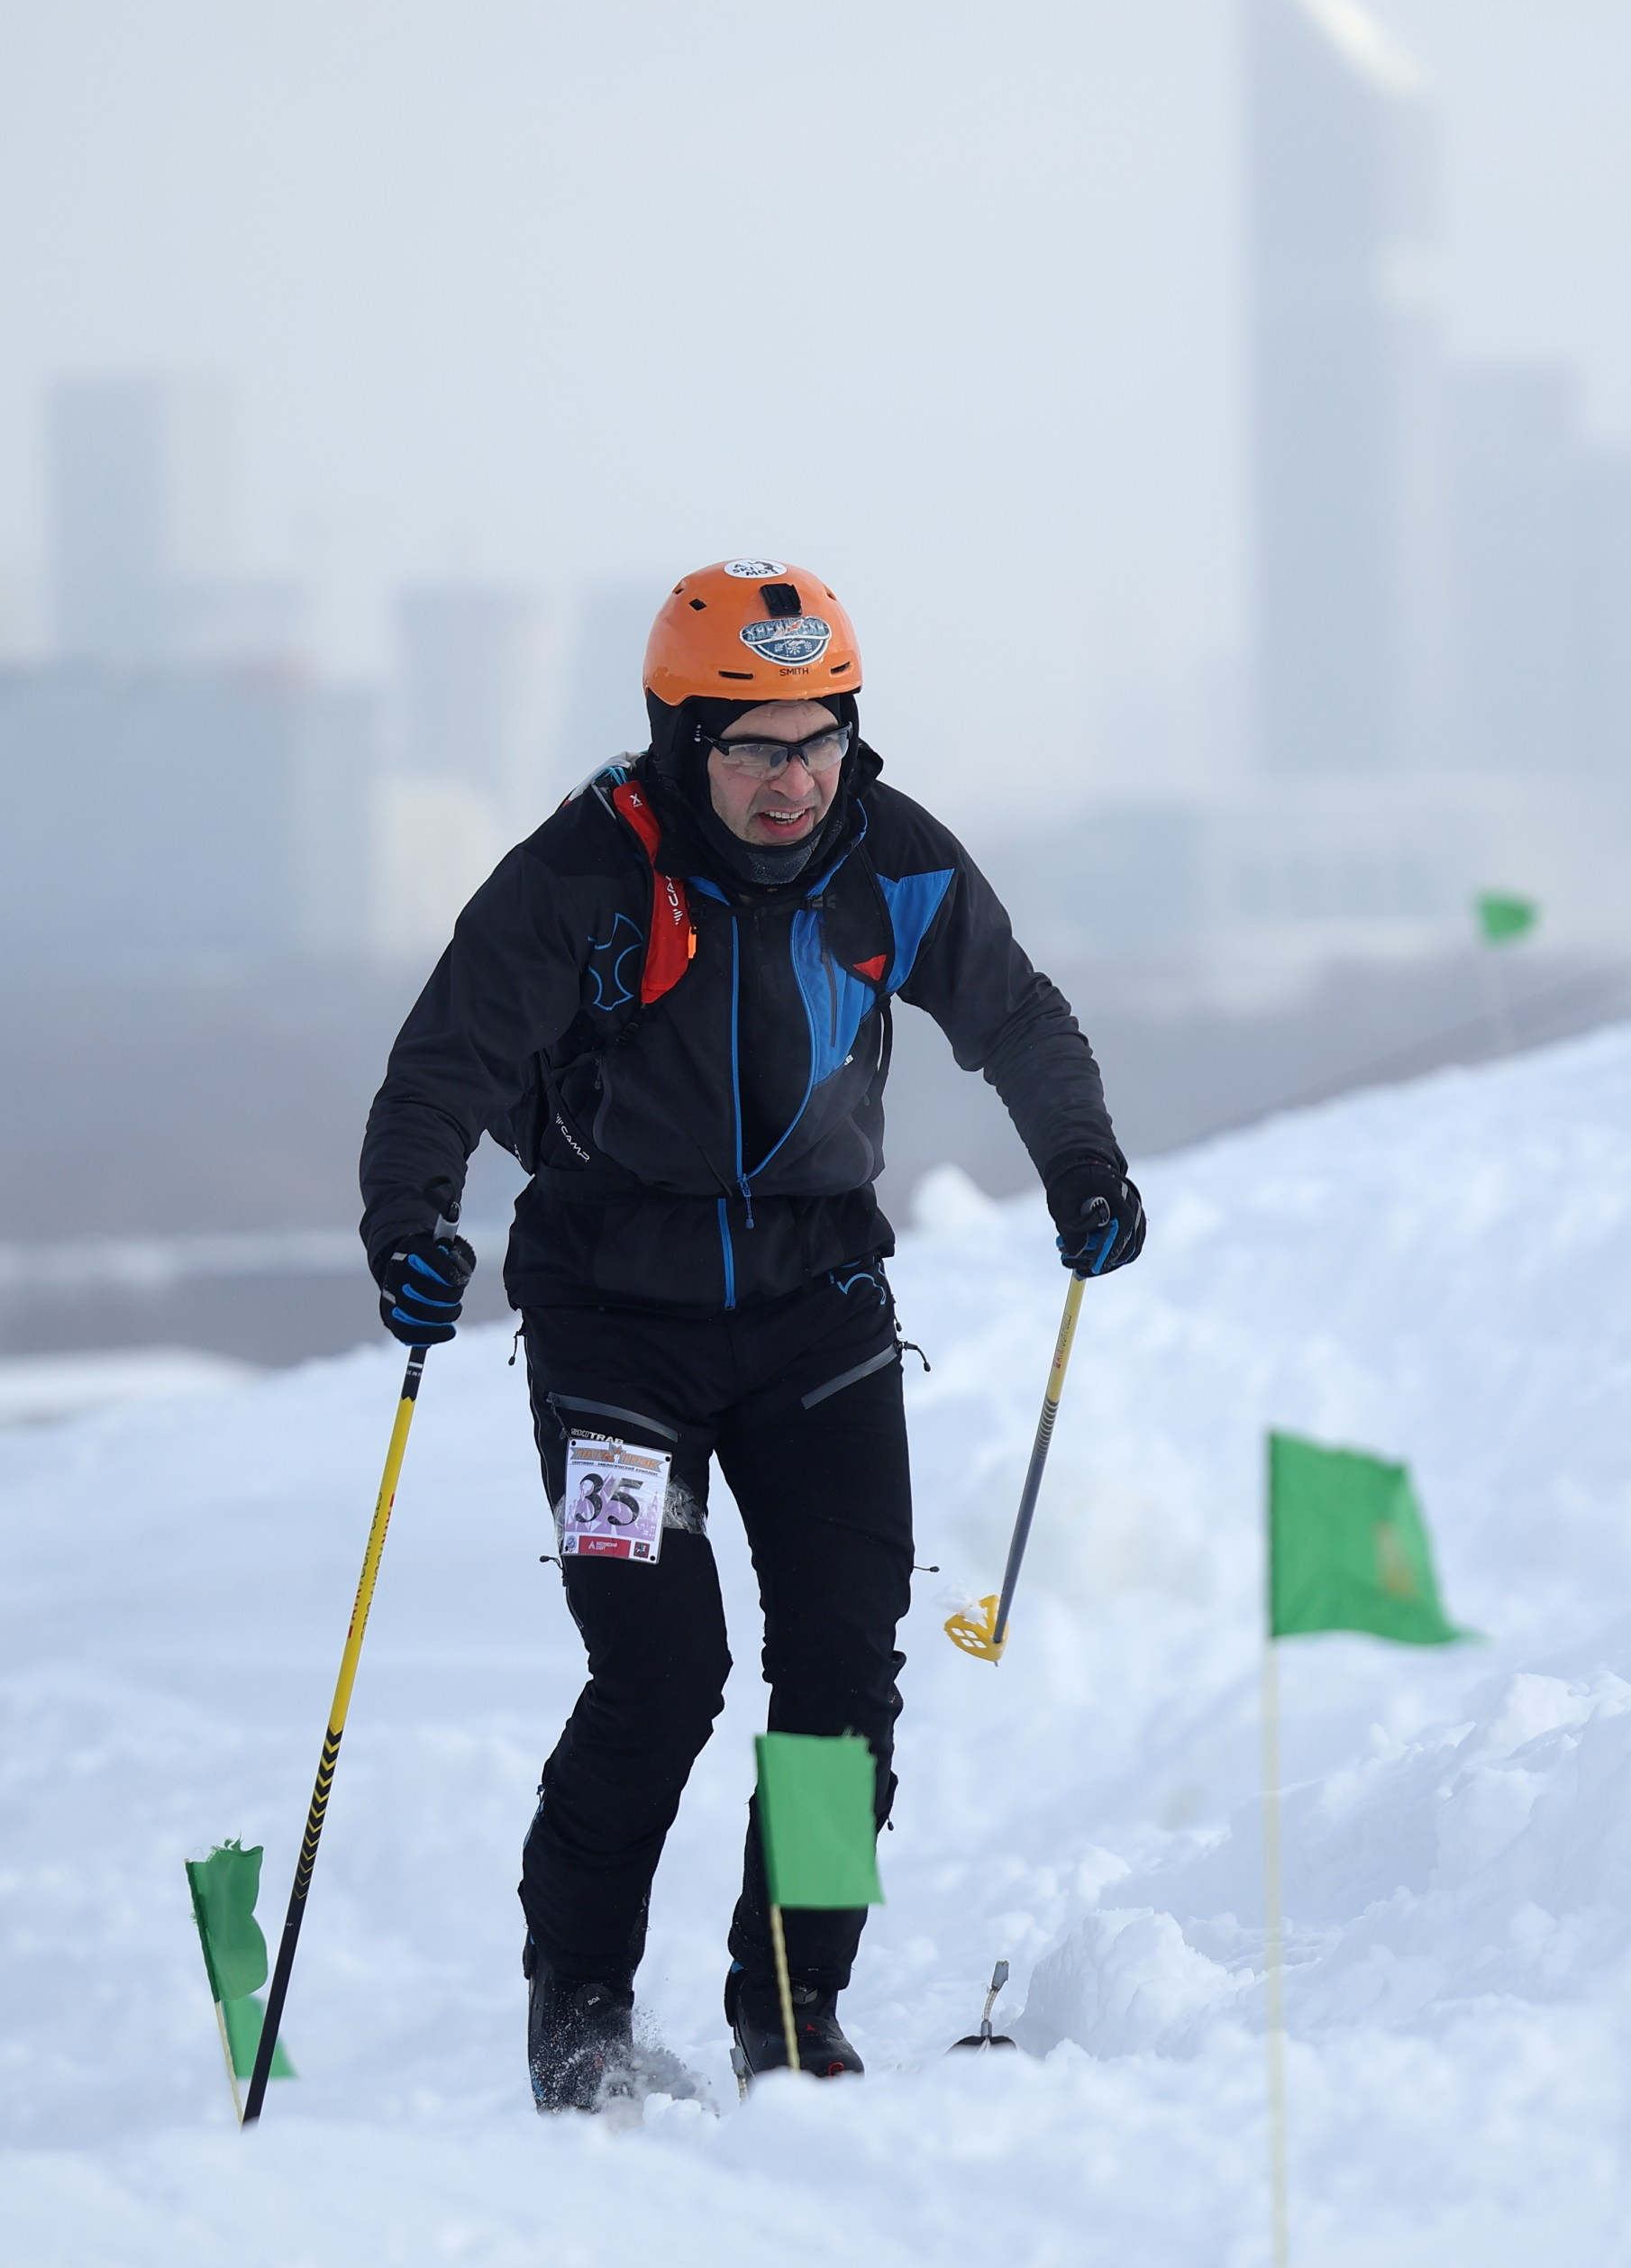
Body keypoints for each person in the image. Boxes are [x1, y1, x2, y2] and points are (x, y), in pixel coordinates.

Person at [360, 559, 1144, 2111]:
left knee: (843, 1682)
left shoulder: (891, 860)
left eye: (819, 741)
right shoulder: (579, 874)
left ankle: (795, 1999)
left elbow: (1021, 1020)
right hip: (610, 1337)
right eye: (753, 748)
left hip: (819, 1325)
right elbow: (440, 1068)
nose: (793, 782)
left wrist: (1084, 1164)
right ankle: (577, 2006)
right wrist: (410, 1228)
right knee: (659, 1674)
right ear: (679, 738)